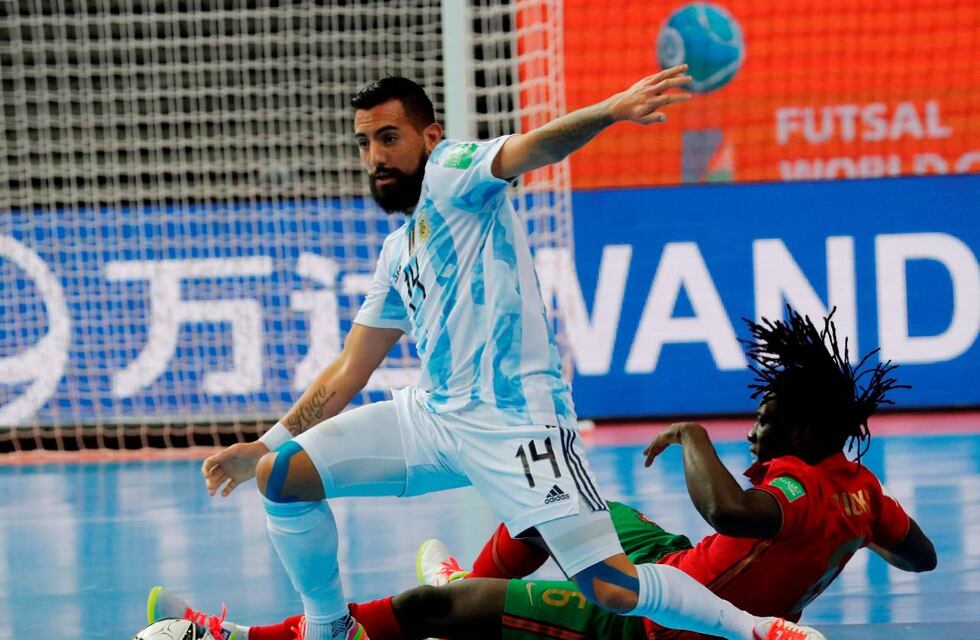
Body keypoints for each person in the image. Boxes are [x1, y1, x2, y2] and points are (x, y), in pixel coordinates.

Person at [199, 70, 823, 640]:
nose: (376, 157)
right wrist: (266, 444)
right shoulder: (398, 251)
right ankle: (327, 627)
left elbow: (532, 147)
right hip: (436, 418)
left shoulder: (452, 171)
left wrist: (609, 109)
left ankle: (758, 632)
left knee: (612, 586)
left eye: (389, 137)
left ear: (429, 135)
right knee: (282, 475)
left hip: (518, 421)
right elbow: (349, 370)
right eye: (365, 144)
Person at [155, 309, 935, 640]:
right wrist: (854, 537)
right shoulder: (863, 493)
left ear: (797, 429)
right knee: (551, 499)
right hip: (670, 558)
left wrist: (696, 437)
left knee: (439, 603)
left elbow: (730, 511)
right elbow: (919, 554)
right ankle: (481, 574)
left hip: (657, 618)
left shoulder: (794, 481)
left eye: (765, 416)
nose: (755, 427)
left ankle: (238, 635)